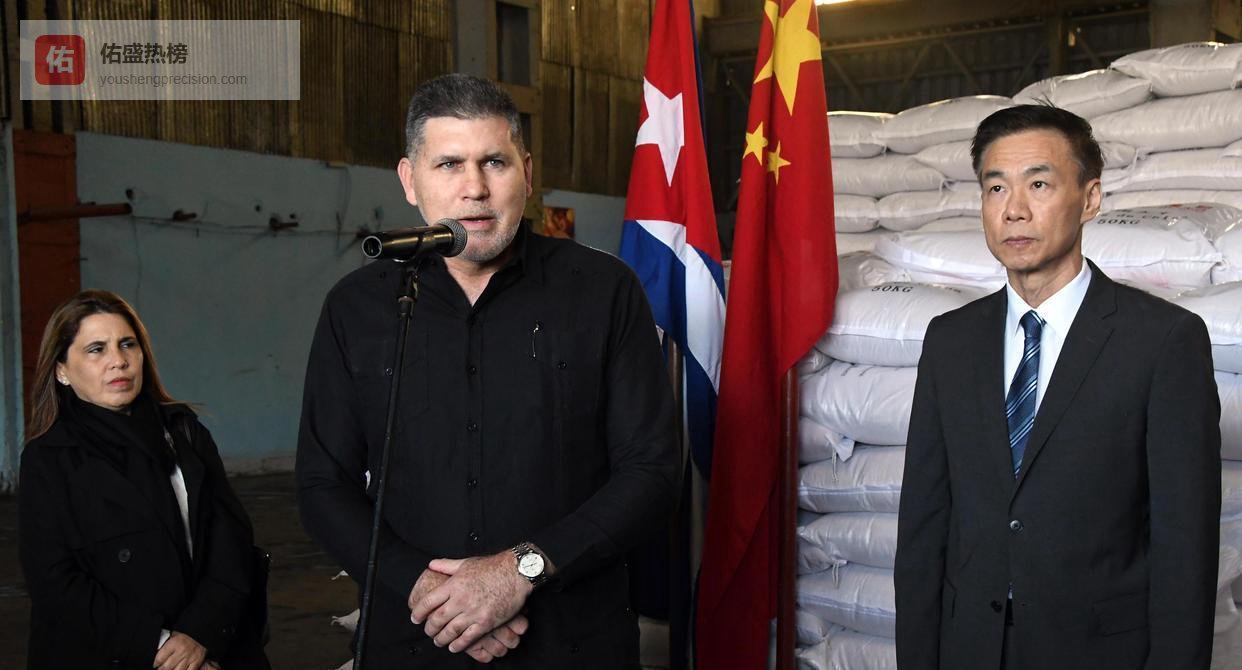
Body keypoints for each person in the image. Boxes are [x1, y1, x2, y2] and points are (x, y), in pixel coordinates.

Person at [296, 73, 679, 668]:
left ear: (526, 171)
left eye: (494, 162)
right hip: (413, 640)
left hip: (571, 644)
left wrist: (519, 571)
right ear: (410, 180)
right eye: (449, 164)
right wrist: (430, 592)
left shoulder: (604, 291)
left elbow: (651, 471)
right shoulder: (356, 306)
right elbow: (324, 484)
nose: (474, 188)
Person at [894, 104, 1221, 670]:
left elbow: (1185, 547)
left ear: (1090, 199)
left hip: (1098, 651)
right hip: (969, 647)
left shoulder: (1162, 340)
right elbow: (923, 524)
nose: (1014, 210)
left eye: (1038, 184)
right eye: (996, 188)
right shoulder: (950, 340)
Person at [18, 289, 269, 670]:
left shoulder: (184, 433)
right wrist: (164, 648)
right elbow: (54, 582)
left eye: (127, 344)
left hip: (210, 645)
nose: (118, 361)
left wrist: (199, 635)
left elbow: (230, 541)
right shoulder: (49, 459)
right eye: (96, 349)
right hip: (114, 653)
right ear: (61, 371)